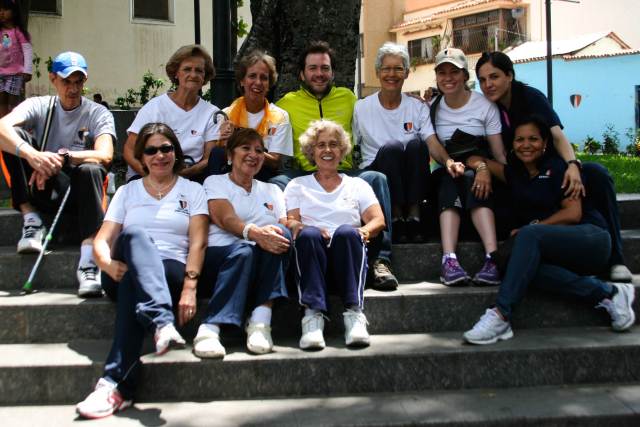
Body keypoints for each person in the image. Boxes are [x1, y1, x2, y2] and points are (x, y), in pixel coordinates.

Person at [75, 123, 209, 419]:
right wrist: (107, 264)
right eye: (151, 150)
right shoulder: (128, 191)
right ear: (142, 156)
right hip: (121, 268)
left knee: (132, 285)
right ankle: (162, 321)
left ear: (176, 152)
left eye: (166, 148)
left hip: (170, 271)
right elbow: (102, 241)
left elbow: (198, 243)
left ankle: (113, 385)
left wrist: (190, 287)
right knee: (135, 235)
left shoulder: (194, 191)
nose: (159, 155)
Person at [463, 115, 635, 345]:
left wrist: (531, 228)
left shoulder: (558, 168)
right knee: (515, 264)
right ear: (512, 144)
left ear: (545, 143)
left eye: (533, 139)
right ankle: (606, 294)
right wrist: (483, 168)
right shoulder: (514, 174)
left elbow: (573, 214)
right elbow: (472, 157)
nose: (526, 145)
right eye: (520, 140)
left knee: (527, 238)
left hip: (591, 239)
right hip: (556, 252)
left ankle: (501, 313)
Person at [476, 51, 633, 283]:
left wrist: (572, 164)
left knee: (597, 174)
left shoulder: (531, 97)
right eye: (482, 80)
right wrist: (479, 165)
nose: (488, 84)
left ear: (509, 76)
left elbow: (557, 136)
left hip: (551, 168)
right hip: (519, 174)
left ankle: (616, 259)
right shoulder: (486, 107)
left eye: (494, 76)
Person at [273, 40, 398, 291]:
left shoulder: (349, 98)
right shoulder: (286, 103)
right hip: (305, 171)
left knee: (376, 178)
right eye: (313, 68)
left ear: (332, 72)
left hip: (345, 169)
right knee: (278, 182)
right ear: (302, 73)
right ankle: (282, 259)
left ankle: (380, 260)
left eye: (325, 68)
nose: (319, 74)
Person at [0, 51, 115, 297]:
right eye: (66, 81)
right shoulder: (38, 105)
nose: (73, 88)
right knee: (11, 140)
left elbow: (105, 154)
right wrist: (33, 156)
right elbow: (2, 127)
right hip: (40, 184)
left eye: (78, 82)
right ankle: (30, 219)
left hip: (79, 190)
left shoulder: (98, 113)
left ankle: (88, 261)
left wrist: (61, 157)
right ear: (53, 79)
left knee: (92, 167)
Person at [284, 119, 385, 349]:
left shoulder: (358, 185)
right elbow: (292, 221)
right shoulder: (297, 185)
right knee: (307, 235)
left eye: (333, 144)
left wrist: (362, 231)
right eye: (321, 145)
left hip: (347, 258)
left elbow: (378, 220)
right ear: (311, 151)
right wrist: (303, 228)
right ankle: (312, 317)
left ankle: (354, 315)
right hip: (311, 259)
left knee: (348, 233)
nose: (327, 150)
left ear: (342, 150)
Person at [194, 127, 290, 358]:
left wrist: (300, 228)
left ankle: (260, 321)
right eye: (245, 148)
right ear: (229, 155)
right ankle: (209, 328)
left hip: (262, 259)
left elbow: (286, 222)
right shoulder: (214, 182)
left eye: (259, 150)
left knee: (280, 234)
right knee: (245, 250)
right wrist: (255, 234)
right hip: (221, 257)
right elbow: (224, 217)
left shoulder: (273, 189)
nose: (253, 154)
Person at [426, 48, 506, 287]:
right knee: (450, 179)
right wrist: (450, 163)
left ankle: (492, 257)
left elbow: (498, 151)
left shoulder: (484, 106)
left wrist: (491, 171)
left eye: (454, 72)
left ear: (464, 75)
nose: (448, 78)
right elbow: (432, 146)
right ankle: (449, 259)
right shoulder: (432, 107)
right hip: (447, 171)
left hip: (479, 171)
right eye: (442, 73)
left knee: (472, 178)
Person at [352, 42, 432, 243]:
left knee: (417, 145)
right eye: (386, 68)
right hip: (377, 169)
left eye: (398, 69)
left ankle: (414, 216)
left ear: (406, 73)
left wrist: (448, 161)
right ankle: (395, 216)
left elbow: (431, 141)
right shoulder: (361, 108)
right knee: (392, 148)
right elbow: (352, 144)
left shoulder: (417, 106)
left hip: (408, 174)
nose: (392, 74)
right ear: (378, 72)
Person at [123, 44, 222, 183]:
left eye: (199, 70)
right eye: (187, 69)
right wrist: (153, 177)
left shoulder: (212, 113)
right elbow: (129, 150)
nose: (193, 75)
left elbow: (208, 160)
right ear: (176, 73)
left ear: (205, 76)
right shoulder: (155, 107)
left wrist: (179, 176)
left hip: (191, 177)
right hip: (148, 175)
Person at [208, 49, 292, 182]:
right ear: (242, 81)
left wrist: (243, 146)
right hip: (231, 173)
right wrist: (224, 142)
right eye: (252, 76)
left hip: (262, 175)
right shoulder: (225, 115)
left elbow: (275, 161)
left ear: (269, 84)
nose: (258, 82)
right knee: (217, 152)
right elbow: (216, 156)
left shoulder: (280, 116)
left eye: (264, 78)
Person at [0, 0, 31, 117]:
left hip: (15, 73)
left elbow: (27, 50)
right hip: (1, 72)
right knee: (1, 99)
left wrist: (27, 70)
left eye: (5, 10)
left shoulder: (18, 32)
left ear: (14, 12)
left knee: (13, 101)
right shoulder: (1, 32)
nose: (1, 13)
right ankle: (2, 125)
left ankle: (13, 124)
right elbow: (6, 46)